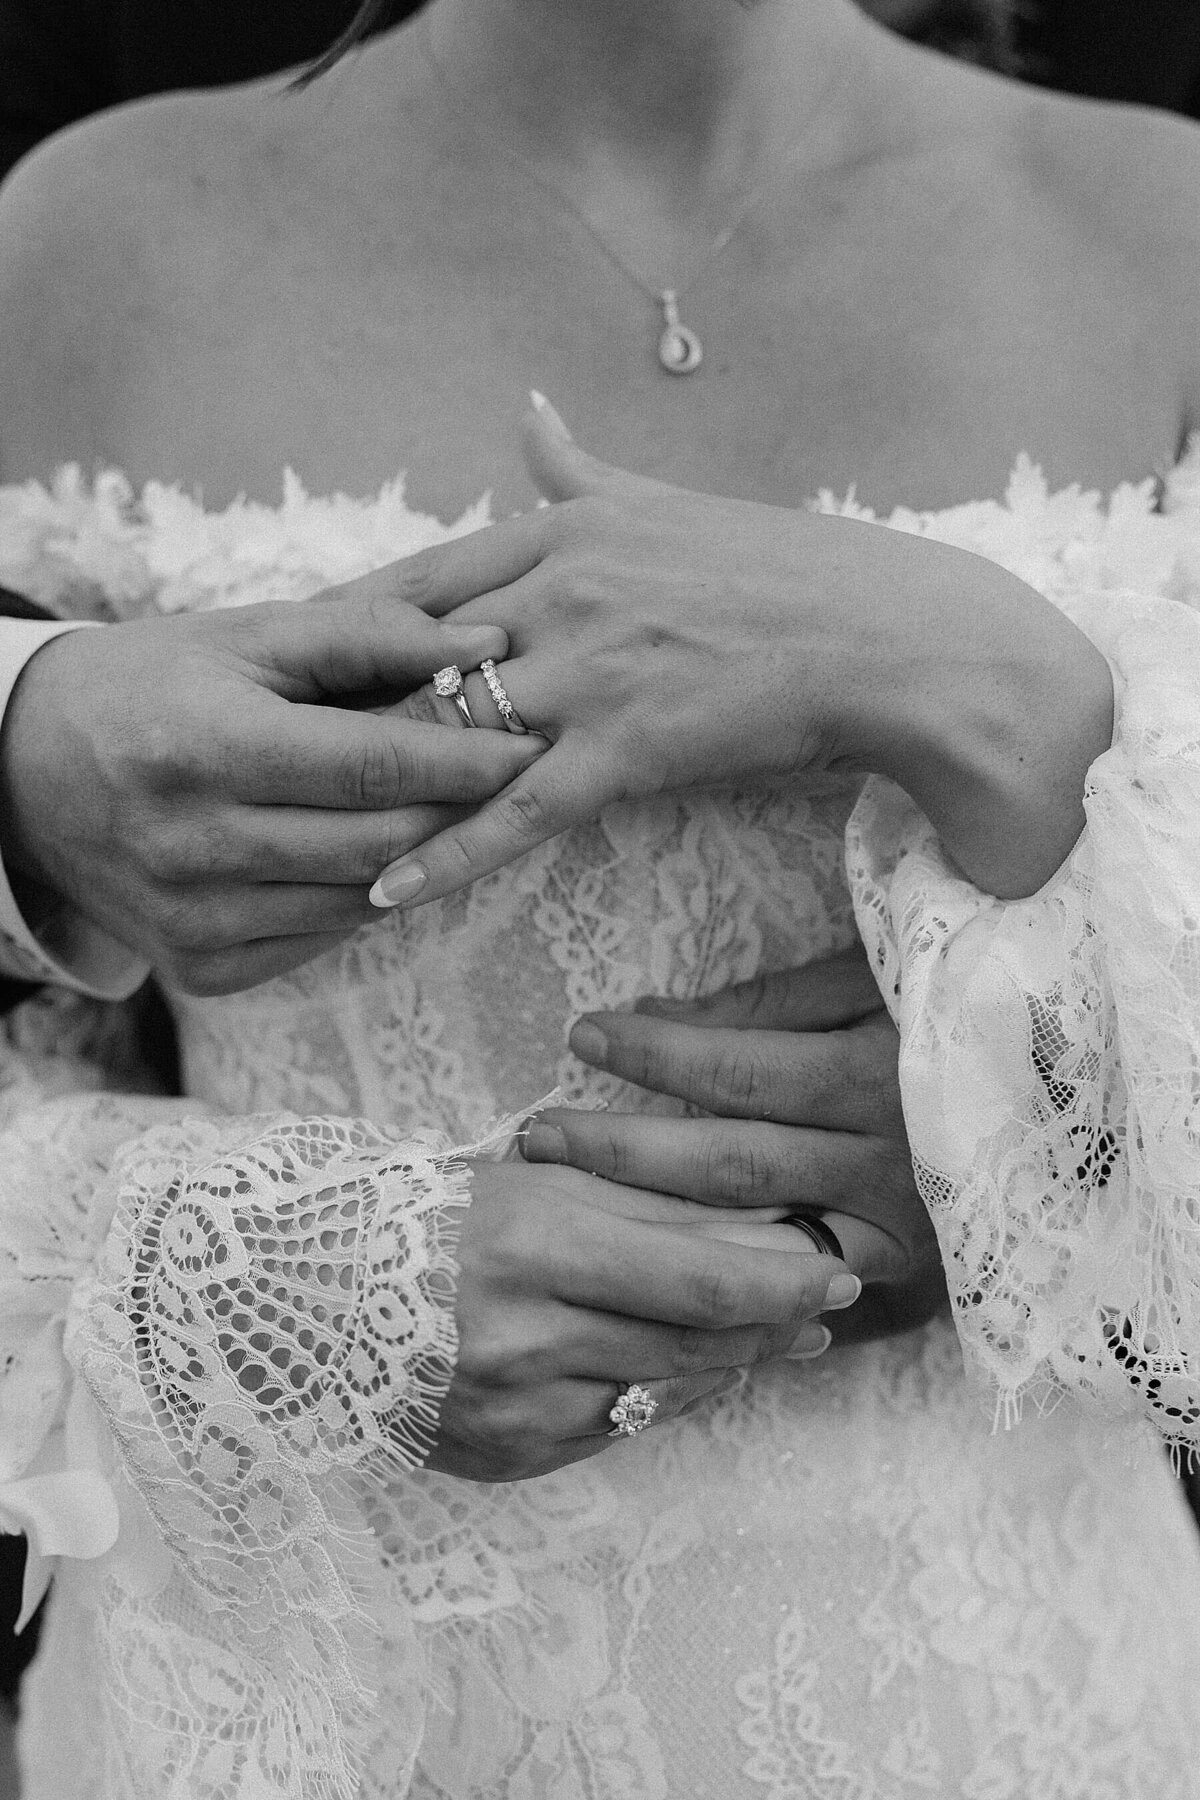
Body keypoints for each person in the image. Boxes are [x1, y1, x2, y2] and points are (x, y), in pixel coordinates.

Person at [1, 2, 1200, 1797]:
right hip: (297, 1700)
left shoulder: (1163, 228)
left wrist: (1045, 1085)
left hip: (1014, 1703)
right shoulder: (81, 241)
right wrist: (273, 1283)